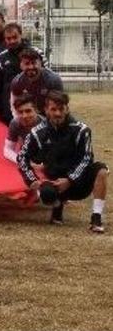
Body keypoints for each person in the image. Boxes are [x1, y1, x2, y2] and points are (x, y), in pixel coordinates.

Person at [17, 91, 108, 233]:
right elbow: (22, 157)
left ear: (67, 108)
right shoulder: (36, 133)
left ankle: (96, 218)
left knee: (102, 170)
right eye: (53, 109)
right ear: (46, 110)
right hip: (54, 184)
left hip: (79, 183)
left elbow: (87, 158)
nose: (58, 113)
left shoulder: (82, 130)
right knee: (46, 194)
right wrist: (32, 180)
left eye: (61, 109)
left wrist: (70, 180)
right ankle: (56, 208)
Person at [0, 23, 44, 124]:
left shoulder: (37, 53)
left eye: (15, 37)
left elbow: (47, 78)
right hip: (8, 110)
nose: (12, 41)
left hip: (35, 108)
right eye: (8, 38)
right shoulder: (1, 58)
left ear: (21, 35)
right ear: (4, 40)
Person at [10, 49, 63, 116]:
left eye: (34, 63)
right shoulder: (17, 82)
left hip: (49, 117)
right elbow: (15, 104)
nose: (31, 67)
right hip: (28, 116)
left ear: (40, 63)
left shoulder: (53, 80)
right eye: (27, 63)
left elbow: (59, 106)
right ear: (21, 65)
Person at [3, 93, 44, 164]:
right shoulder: (15, 123)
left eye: (28, 111)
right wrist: (21, 161)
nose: (24, 116)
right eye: (20, 112)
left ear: (36, 110)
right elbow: (7, 149)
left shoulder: (46, 125)